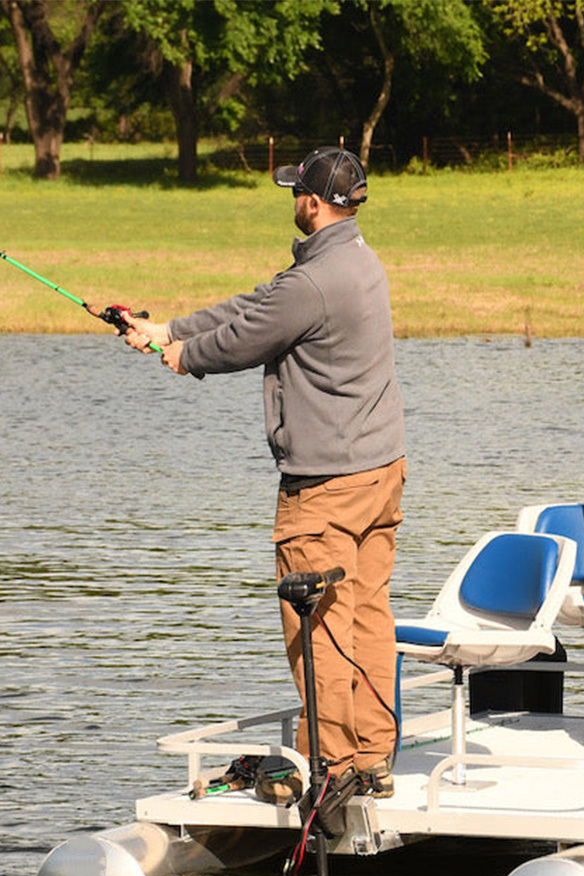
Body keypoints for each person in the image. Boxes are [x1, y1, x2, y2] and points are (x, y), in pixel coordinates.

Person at [124, 147, 406, 796]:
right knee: (365, 616)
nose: (292, 200)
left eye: (295, 191)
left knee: (320, 628)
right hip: (378, 477)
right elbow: (259, 304)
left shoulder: (314, 282)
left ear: (312, 200)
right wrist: (164, 326)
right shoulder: (356, 262)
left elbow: (245, 337)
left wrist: (181, 356)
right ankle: (371, 758)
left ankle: (331, 771)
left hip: (326, 490)